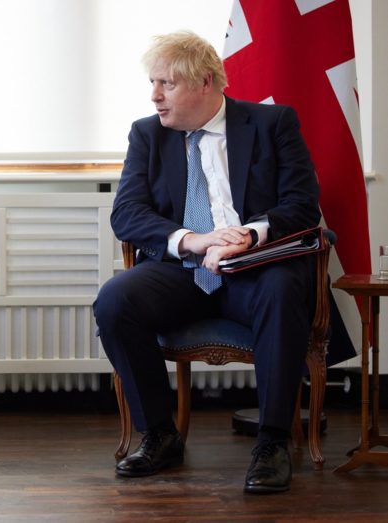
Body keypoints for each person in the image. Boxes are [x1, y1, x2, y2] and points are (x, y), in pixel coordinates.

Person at [93, 31, 322, 494]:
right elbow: (127, 213)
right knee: (116, 300)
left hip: (254, 269)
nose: (155, 95)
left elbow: (302, 204)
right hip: (181, 272)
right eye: (153, 83)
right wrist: (193, 240)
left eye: (167, 83)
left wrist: (249, 234)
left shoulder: (272, 123)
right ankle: (159, 435)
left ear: (204, 82)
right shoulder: (147, 134)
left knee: (281, 291)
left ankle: (272, 442)